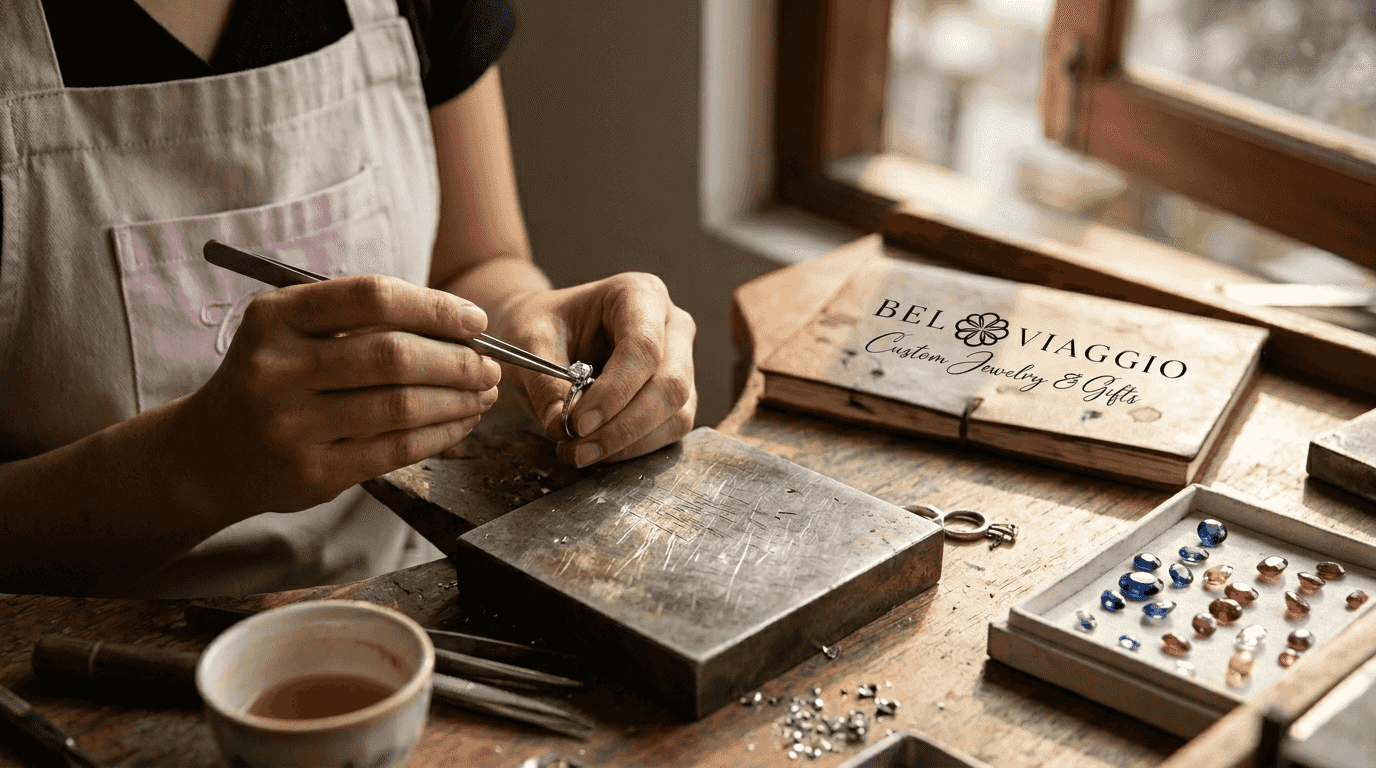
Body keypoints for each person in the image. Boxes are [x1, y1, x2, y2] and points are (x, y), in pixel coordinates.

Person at [0, 0, 697, 597]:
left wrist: (530, 323)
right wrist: (194, 467)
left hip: (400, 605)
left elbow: (474, 260)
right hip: (73, 663)